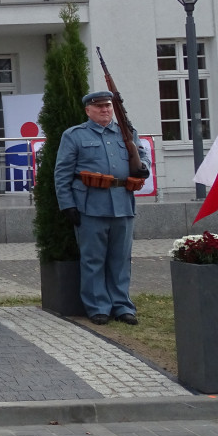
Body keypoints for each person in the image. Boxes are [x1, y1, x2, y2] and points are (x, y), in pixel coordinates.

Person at [55, 90, 150, 326]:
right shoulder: (74, 135)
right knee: (93, 259)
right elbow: (62, 173)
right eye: (99, 107)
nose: (105, 110)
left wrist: (143, 167)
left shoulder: (126, 132)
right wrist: (67, 204)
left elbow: (143, 156)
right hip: (90, 205)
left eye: (108, 106)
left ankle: (122, 305)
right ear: (88, 110)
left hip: (123, 203)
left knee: (121, 259)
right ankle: (98, 306)